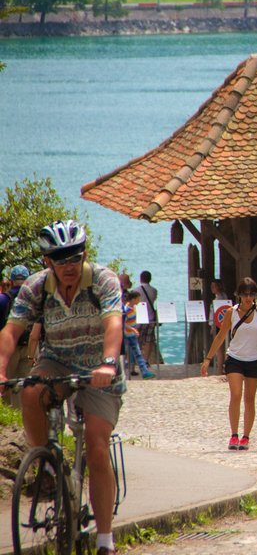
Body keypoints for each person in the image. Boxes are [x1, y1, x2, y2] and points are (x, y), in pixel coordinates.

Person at [0, 220, 125, 555]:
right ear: (48, 261)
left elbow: (115, 321)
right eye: (61, 259)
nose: (69, 266)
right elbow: (11, 331)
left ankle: (105, 540)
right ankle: (48, 468)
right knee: (29, 392)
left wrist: (109, 363)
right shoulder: (35, 287)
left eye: (75, 258)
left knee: (97, 445)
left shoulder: (102, 280)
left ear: (84, 255)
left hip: (100, 367)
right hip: (56, 360)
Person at [200, 277, 257, 451]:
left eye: (251, 294)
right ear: (238, 295)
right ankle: (234, 435)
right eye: (245, 294)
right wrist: (207, 359)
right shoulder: (231, 313)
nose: (248, 298)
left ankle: (246, 436)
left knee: (249, 399)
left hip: (255, 360)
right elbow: (220, 337)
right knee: (235, 395)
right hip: (235, 359)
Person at [1, 265, 33, 407]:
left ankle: (6, 412)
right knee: (23, 385)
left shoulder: (3, 299)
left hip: (7, 347)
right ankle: (19, 417)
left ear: (12, 281)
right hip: (29, 346)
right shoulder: (33, 299)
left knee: (5, 382)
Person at [123, 290, 156, 379]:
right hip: (128, 335)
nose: (139, 300)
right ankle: (125, 372)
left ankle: (144, 372)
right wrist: (132, 329)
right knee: (127, 354)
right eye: (138, 299)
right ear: (133, 299)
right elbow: (123, 323)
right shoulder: (127, 310)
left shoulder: (133, 308)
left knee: (137, 354)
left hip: (132, 335)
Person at [132, 270, 158, 365]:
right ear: (150, 279)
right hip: (151, 318)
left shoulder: (136, 290)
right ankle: (146, 360)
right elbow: (153, 300)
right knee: (149, 340)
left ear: (140, 279)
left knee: (136, 339)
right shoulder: (154, 290)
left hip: (139, 318)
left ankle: (135, 359)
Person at [208, 278, 229, 372]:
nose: (212, 288)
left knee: (218, 348)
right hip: (223, 324)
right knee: (222, 347)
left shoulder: (219, 299)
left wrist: (212, 326)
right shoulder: (224, 296)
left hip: (218, 325)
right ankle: (221, 367)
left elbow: (216, 314)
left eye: (214, 286)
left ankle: (220, 369)